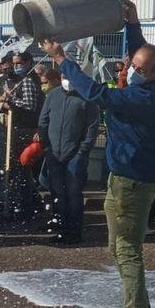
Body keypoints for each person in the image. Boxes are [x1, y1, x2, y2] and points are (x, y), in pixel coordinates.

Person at [41, 0, 155, 308]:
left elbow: (97, 94)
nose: (132, 68)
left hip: (131, 182)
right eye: (134, 65)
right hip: (126, 178)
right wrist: (133, 23)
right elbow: (139, 54)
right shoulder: (154, 82)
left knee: (127, 251)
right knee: (118, 248)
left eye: (140, 69)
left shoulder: (141, 97)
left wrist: (63, 60)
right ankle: (139, 307)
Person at [38, 71, 100, 244]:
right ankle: (62, 230)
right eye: (65, 76)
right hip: (53, 154)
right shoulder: (52, 96)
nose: (67, 80)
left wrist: (82, 151)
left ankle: (74, 232)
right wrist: (46, 147)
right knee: (58, 193)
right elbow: (43, 122)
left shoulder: (86, 98)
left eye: (70, 77)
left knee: (73, 194)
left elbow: (92, 127)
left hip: (75, 155)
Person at [0, 52, 45, 221]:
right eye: (14, 63)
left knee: (22, 168)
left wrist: (11, 101)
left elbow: (30, 105)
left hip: (26, 129)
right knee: (17, 169)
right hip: (17, 128)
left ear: (28, 62)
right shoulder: (18, 80)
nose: (16, 66)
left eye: (19, 63)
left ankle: (27, 206)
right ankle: (26, 203)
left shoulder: (28, 81)